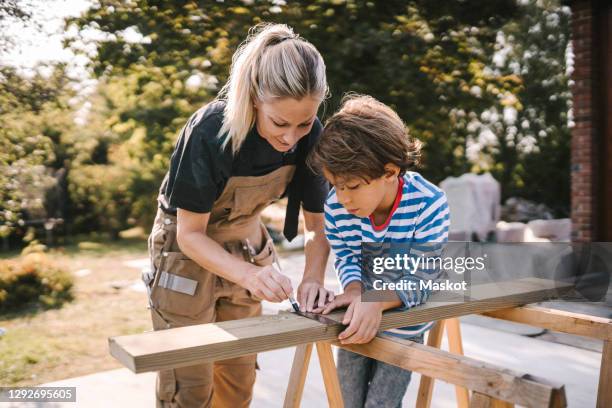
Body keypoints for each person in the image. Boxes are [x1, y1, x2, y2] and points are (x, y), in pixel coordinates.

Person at [144, 23, 334, 407]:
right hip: (186, 252)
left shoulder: (311, 134)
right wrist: (250, 275)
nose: (290, 138)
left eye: (303, 123)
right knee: (189, 384)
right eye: (280, 123)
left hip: (247, 241)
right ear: (253, 99)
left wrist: (313, 278)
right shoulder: (210, 131)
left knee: (239, 377)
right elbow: (190, 234)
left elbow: (318, 227)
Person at [307, 94, 450, 408]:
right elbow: (347, 256)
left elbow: (423, 276)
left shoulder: (429, 203)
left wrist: (376, 299)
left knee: (381, 405)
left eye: (353, 186)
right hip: (358, 317)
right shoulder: (336, 206)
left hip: (405, 323)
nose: (343, 198)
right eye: (335, 184)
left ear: (390, 171)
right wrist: (356, 289)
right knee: (346, 402)